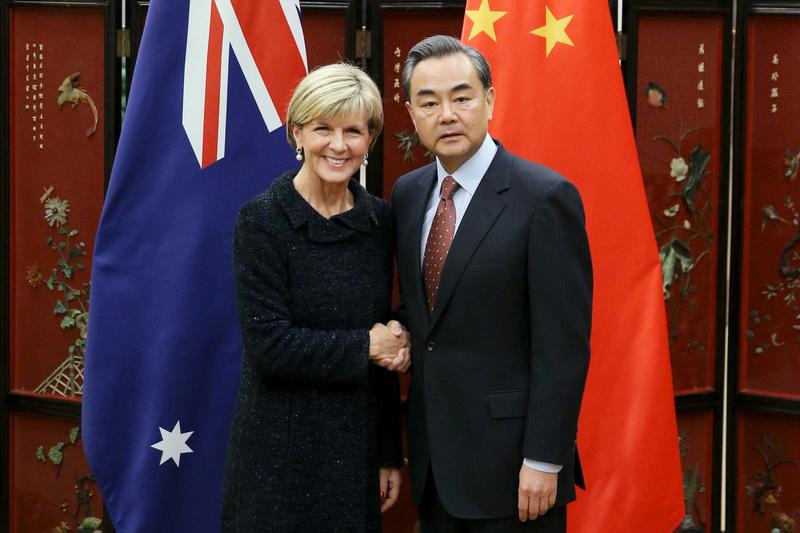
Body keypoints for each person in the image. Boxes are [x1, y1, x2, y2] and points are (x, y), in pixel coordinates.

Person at [391, 35, 593, 532]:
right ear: (412, 114)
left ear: (490, 100)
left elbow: (562, 345)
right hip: (435, 467)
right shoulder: (408, 194)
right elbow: (430, 312)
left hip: (515, 471)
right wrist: (395, 331)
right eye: (429, 102)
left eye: (462, 97)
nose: (447, 115)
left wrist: (545, 459)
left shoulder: (544, 197)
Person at [221, 63, 411, 532]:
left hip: (355, 451)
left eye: (353, 131)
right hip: (278, 455)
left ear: (370, 140)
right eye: (323, 128)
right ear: (297, 133)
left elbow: (384, 343)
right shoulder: (261, 220)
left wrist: (389, 452)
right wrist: (366, 346)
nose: (338, 145)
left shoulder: (379, 222)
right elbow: (269, 346)